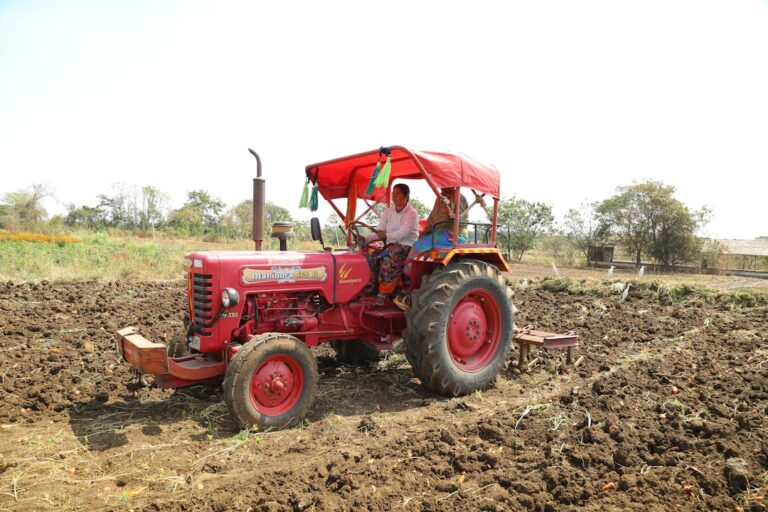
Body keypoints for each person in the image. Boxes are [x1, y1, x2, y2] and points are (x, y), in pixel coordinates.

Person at [363, 183, 419, 305]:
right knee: (371, 257)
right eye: (393, 193)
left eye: (398, 193)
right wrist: (366, 239)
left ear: (406, 197)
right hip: (389, 244)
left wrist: (386, 236)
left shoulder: (412, 214)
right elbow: (380, 230)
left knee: (389, 257)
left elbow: (402, 234)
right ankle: (369, 290)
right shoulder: (389, 211)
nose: (394, 196)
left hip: (406, 246)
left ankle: (383, 293)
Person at [412, 187, 469, 254]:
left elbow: (458, 218)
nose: (441, 187)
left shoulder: (459, 197)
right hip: (440, 233)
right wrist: (424, 234)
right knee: (418, 245)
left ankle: (408, 264)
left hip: (455, 235)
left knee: (418, 246)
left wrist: (449, 205)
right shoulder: (439, 198)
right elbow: (432, 219)